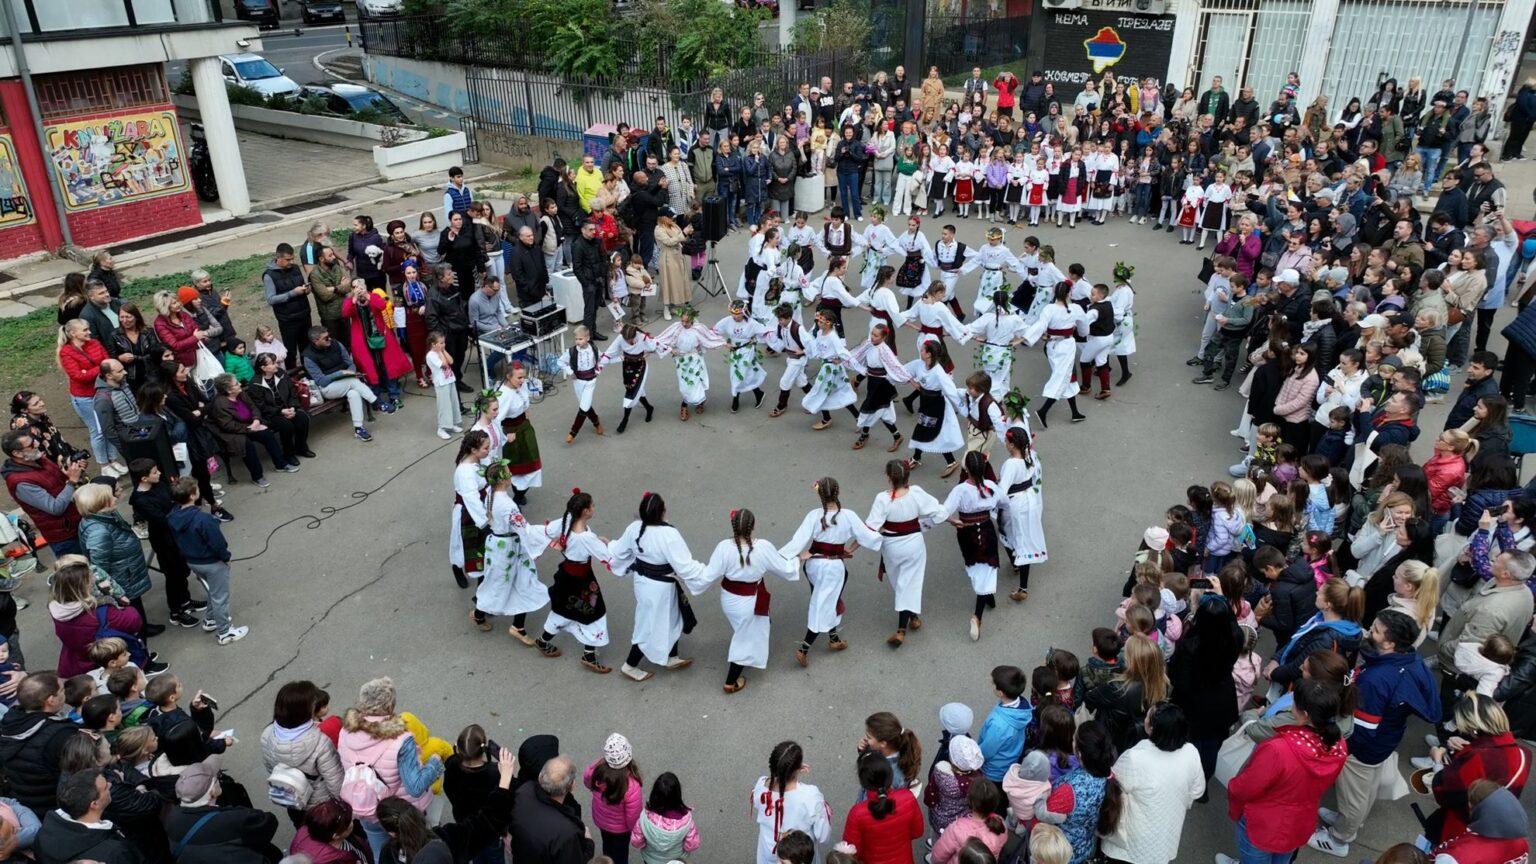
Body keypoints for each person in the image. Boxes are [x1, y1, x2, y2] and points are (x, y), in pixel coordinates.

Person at [1307, 609, 1439, 858]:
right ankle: (1350, 822)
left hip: (1365, 748)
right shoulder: (1410, 658)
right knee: (1366, 788)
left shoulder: (1377, 679)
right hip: (1387, 739)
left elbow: (1363, 728)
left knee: (1353, 794)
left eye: (1376, 631)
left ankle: (1340, 838)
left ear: (1390, 643)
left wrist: (1341, 744)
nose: (1370, 632)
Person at [1218, 679, 1347, 864]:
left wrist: (1233, 789)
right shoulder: (1339, 745)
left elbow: (1245, 787)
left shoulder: (1279, 749)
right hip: (1299, 822)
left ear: (1304, 714)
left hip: (1263, 823)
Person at [337, 677, 444, 859]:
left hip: (365, 807)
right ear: (390, 705)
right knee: (414, 852)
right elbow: (415, 787)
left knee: (381, 854)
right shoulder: (402, 740)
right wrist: (434, 763)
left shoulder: (345, 731)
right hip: (399, 813)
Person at [607, 491, 709, 682]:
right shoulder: (668, 534)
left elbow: (619, 550)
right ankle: (630, 665)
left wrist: (609, 545)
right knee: (649, 625)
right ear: (662, 511)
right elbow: (685, 566)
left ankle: (671, 656)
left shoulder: (634, 528)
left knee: (671, 617)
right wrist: (708, 574)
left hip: (644, 583)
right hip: (660, 588)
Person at [167, 476, 248, 645]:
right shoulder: (203, 519)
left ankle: (211, 619)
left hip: (192, 561)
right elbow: (217, 543)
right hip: (212, 563)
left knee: (213, 591)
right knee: (220, 597)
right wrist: (226, 557)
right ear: (192, 495)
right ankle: (225, 632)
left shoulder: (173, 516)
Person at [164, 758, 282, 862]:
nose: (219, 779)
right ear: (212, 792)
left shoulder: (170, 820)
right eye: (216, 779)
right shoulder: (234, 819)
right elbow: (269, 822)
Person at [260, 680, 344, 822]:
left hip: (293, 800)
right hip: (322, 805)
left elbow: (271, 768)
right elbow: (336, 784)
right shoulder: (320, 741)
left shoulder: (267, 733)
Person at [0, 672, 75, 814]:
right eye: (61, 690)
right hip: (52, 806)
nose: (64, 693)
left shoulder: (9, 723)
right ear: (51, 700)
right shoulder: (61, 734)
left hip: (21, 802)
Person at [1, 429, 84, 556]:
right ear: (17, 453)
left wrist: (69, 472)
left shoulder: (38, 459)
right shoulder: (20, 483)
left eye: (34, 440)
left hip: (78, 523)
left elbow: (58, 485)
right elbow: (55, 508)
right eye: (31, 445)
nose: (37, 444)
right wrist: (72, 481)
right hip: (65, 537)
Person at [34, 768, 142, 864]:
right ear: (94, 804)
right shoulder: (115, 852)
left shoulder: (43, 834)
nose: (110, 785)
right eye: (105, 787)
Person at [57, 318, 122, 474]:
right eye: (85, 330)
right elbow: (79, 376)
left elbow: (108, 362)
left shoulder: (94, 343)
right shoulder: (66, 352)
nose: (89, 332)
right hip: (85, 398)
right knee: (98, 431)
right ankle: (104, 464)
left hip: (103, 392)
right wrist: (100, 368)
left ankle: (113, 459)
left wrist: (92, 370)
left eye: (88, 329)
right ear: (73, 333)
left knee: (109, 426)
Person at [210, 374, 298, 487]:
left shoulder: (241, 393)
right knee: (246, 445)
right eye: (236, 383)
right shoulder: (220, 404)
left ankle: (280, 464)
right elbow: (228, 425)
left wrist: (256, 420)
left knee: (267, 434)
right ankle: (257, 477)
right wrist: (250, 429)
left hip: (250, 424)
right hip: (232, 433)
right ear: (228, 390)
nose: (240, 384)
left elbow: (253, 407)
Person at [510, 754, 594, 864]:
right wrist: (589, 844)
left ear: (541, 776)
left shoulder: (523, 792)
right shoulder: (566, 832)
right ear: (571, 786)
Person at [842, 751, 923, 864]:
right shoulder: (908, 797)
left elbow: (852, 851)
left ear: (863, 782)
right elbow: (917, 831)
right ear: (890, 774)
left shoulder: (857, 813)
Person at [303, 327, 380, 444]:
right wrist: (341, 373)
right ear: (315, 341)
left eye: (329, 336)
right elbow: (321, 381)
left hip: (347, 381)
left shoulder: (336, 344)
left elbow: (350, 364)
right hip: (327, 388)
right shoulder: (308, 357)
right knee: (353, 383)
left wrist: (350, 373)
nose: (330, 339)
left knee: (354, 393)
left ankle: (358, 428)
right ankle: (376, 402)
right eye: (326, 338)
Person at [248, 352, 314, 461]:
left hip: (288, 408)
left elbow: (292, 392)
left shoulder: (281, 373)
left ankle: (301, 448)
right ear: (264, 368)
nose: (277, 365)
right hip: (271, 414)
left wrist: (293, 407)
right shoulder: (255, 384)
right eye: (273, 363)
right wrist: (281, 411)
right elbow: (261, 406)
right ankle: (289, 454)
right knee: (286, 426)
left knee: (303, 419)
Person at [263, 243, 313, 371]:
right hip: (288, 320)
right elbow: (271, 299)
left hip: (304, 315)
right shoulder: (269, 275)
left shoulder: (295, 268)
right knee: (290, 351)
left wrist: (306, 289)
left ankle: (308, 372)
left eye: (292, 258)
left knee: (307, 347)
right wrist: (292, 293)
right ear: (278, 258)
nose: (291, 262)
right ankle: (293, 375)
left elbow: (301, 285)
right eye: (287, 260)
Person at [572, 219, 610, 341]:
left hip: (598, 279)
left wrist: (603, 273)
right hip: (589, 282)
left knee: (595, 309)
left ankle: (593, 332)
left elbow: (603, 257)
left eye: (594, 229)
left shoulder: (597, 241)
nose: (594, 232)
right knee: (589, 311)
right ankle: (587, 338)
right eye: (591, 229)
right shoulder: (578, 245)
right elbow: (577, 268)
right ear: (583, 230)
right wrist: (586, 283)